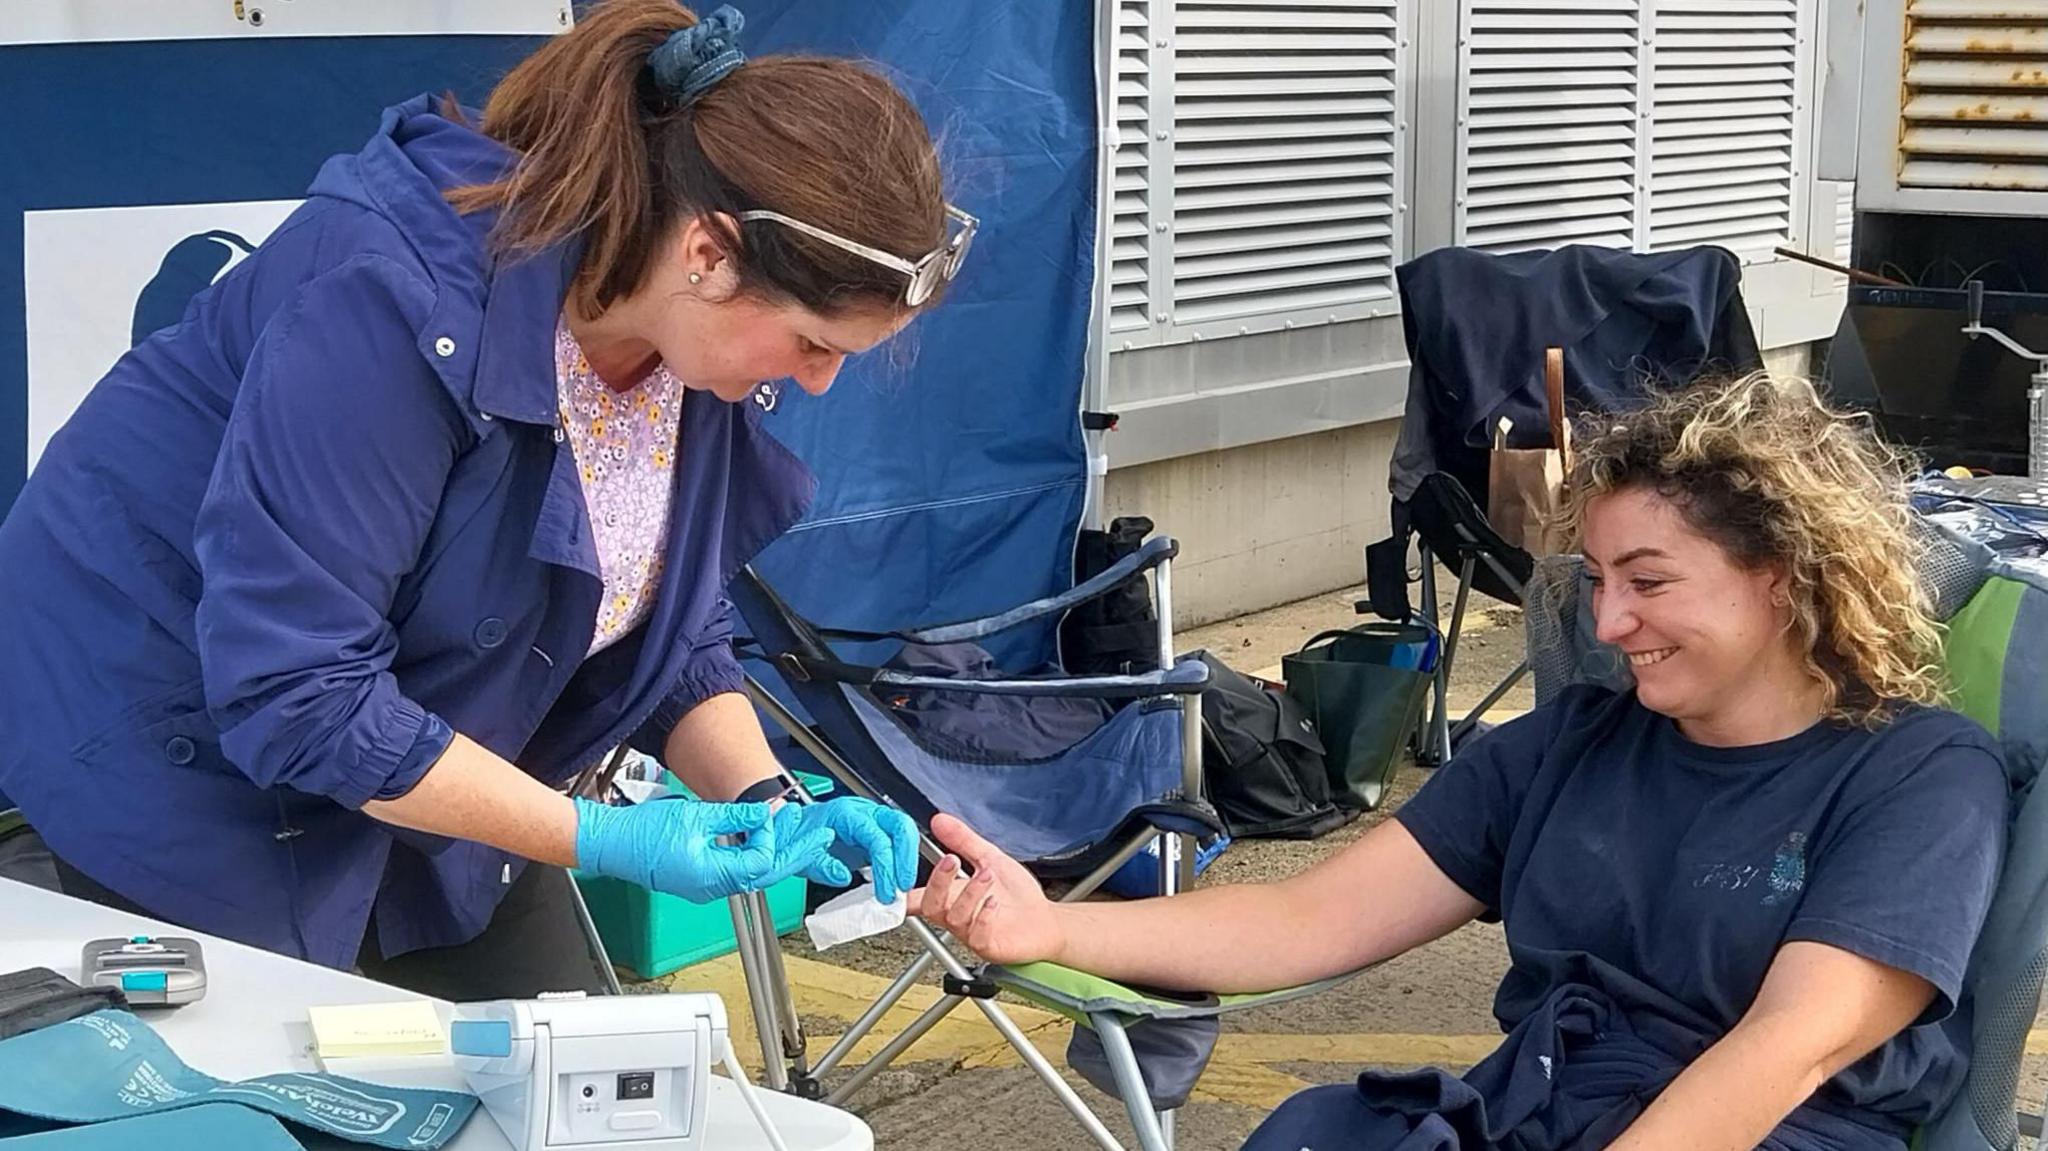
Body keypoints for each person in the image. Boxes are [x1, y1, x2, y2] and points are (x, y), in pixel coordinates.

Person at [0, 0, 961, 1000]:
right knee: (274, 1097)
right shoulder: (391, 301)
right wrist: (606, 834)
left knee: (550, 1083)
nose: (815, 385)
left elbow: (657, 612)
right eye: (813, 344)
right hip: (175, 742)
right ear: (710, 253)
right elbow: (301, 692)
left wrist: (767, 802)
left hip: (421, 734)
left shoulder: (685, 340)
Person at [913, 374, 2010, 1151]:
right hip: (1537, 1107)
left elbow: (1791, 1046)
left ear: (1782, 576)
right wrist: (1053, 924)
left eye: (1650, 580)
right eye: (1594, 580)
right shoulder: (1572, 743)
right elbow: (1308, 920)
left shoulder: (1915, 776)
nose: (1611, 619)